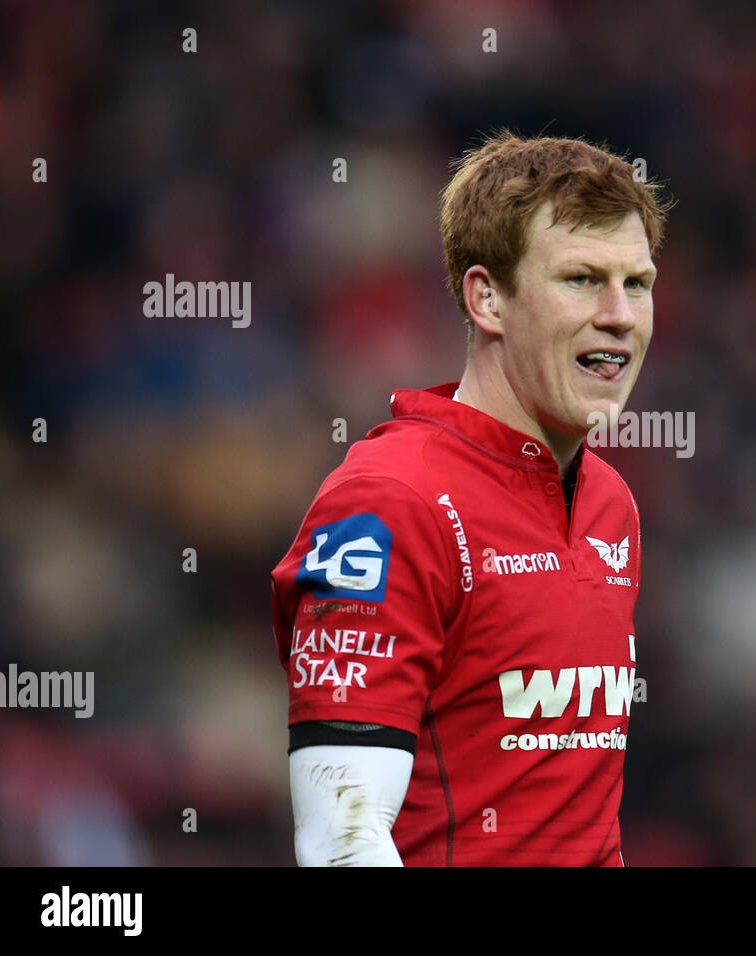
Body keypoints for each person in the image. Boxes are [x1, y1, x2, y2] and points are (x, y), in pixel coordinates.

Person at [270, 130, 671, 865]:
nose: (620, 314)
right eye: (582, 279)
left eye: (636, 283)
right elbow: (340, 840)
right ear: (487, 298)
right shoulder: (387, 504)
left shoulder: (612, 502)